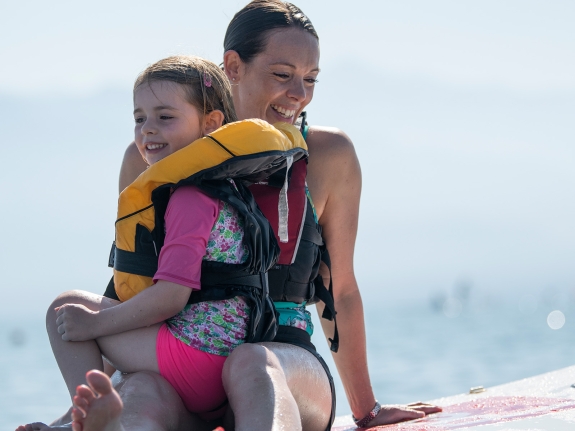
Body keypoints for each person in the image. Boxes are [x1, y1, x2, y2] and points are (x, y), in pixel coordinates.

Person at [20, 2, 441, 431]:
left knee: (251, 362)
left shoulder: (329, 155)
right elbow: (134, 290)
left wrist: (366, 408)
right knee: (142, 397)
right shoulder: (150, 156)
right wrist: (74, 409)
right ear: (233, 67)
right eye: (282, 74)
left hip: (283, 359)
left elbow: (341, 290)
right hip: (184, 362)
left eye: (311, 79)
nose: (300, 92)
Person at [16, 53, 306, 431]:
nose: (148, 130)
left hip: (194, 360)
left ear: (211, 124)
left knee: (65, 310)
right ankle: (92, 418)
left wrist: (94, 324)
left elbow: (171, 296)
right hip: (223, 358)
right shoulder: (227, 189)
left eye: (165, 117)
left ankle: (83, 420)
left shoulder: (189, 199)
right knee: (126, 368)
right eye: (140, 118)